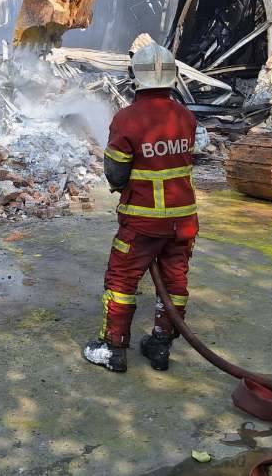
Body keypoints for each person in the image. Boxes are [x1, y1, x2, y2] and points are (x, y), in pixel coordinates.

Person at [82, 43, 198, 373]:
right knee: (175, 282)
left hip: (142, 221)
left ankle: (113, 348)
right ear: (172, 77)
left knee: (122, 280)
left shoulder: (128, 118)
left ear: (137, 77)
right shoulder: (185, 116)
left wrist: (123, 186)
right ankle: (160, 346)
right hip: (183, 221)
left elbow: (116, 172)